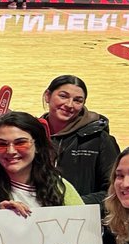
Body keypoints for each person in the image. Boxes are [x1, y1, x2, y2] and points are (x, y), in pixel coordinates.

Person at [0, 111, 84, 214]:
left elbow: (80, 231)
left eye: (20, 143)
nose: (11, 151)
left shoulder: (58, 187)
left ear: (38, 146)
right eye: (2, 144)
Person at [39, 75, 119, 207]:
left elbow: (114, 191)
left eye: (78, 100)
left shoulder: (100, 139)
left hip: (84, 222)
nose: (69, 105)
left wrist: (70, 205)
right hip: (36, 219)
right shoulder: (31, 136)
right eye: (63, 96)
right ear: (47, 96)